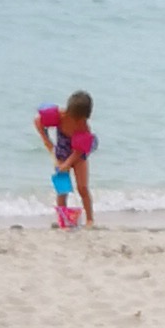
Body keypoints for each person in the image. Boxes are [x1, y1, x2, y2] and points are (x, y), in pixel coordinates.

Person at [36, 92, 97, 229]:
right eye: (75, 117)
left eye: (81, 118)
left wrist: (67, 164)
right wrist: (48, 142)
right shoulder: (59, 116)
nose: (78, 121)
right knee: (62, 189)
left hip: (78, 155)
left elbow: (79, 151)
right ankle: (63, 219)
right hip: (61, 153)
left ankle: (89, 219)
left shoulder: (84, 127)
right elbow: (38, 122)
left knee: (82, 188)